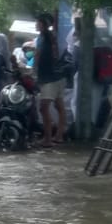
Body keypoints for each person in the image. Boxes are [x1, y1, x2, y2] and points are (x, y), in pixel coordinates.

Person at [34, 12, 66, 146]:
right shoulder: (52, 37)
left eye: (38, 22)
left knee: (43, 108)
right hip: (58, 77)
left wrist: (34, 72)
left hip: (49, 79)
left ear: (43, 25)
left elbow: (38, 56)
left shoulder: (43, 38)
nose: (36, 24)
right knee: (59, 106)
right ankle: (59, 135)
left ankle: (47, 139)